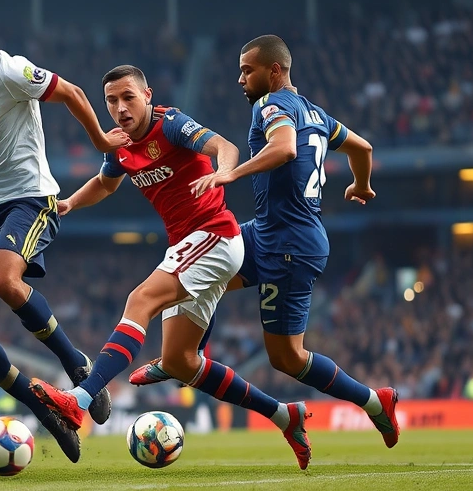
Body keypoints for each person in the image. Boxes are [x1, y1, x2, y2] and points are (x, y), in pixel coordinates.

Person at [29, 65, 313, 469]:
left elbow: (225, 146)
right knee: (181, 361)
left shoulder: (172, 124)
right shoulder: (121, 145)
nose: (120, 108)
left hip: (215, 236)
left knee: (140, 299)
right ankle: (285, 415)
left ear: (147, 95)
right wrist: (72, 203)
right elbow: (106, 183)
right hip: (188, 245)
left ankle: (77, 401)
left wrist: (222, 174)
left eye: (128, 97)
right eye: (112, 101)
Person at [134, 34, 400, 449]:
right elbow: (361, 147)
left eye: (247, 70)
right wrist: (360, 185)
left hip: (290, 245)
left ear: (274, 71)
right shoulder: (316, 113)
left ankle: (374, 403)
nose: (241, 79)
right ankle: (180, 358)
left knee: (286, 358)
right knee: (207, 265)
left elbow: (285, 149)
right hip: (267, 231)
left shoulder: (270, 104)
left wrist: (230, 173)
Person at [0, 0, 129, 463]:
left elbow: (74, 93)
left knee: (2, 279)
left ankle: (77, 364)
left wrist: (101, 140)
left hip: (31, 197)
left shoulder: (11, 71)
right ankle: (41, 403)